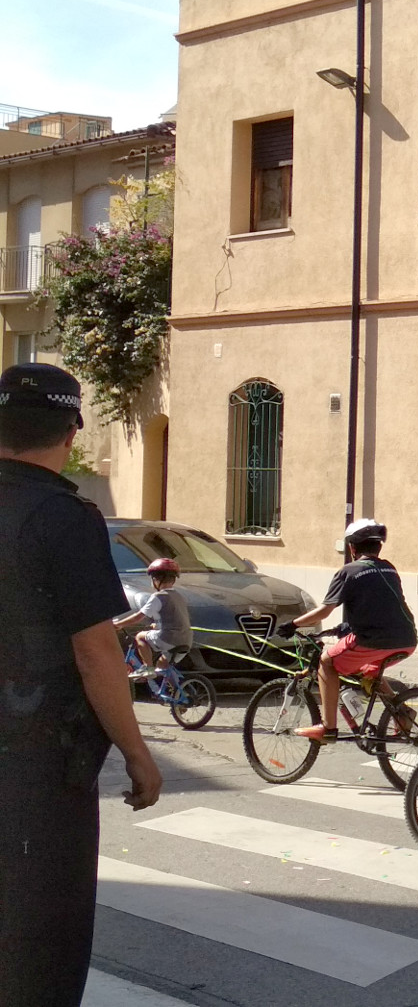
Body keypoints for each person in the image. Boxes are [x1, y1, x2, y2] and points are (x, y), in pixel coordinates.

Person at [0, 364, 163, 1006]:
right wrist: (138, 754)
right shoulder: (63, 517)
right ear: (71, 433)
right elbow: (96, 652)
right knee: (38, 945)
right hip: (34, 766)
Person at [281, 518, 418, 743]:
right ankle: (402, 713)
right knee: (370, 669)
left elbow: (324, 611)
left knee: (326, 662)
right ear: (378, 547)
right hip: (407, 639)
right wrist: (344, 628)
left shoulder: (349, 571)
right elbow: (381, 606)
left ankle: (328, 728)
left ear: (352, 547)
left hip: (371, 640)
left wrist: (293, 624)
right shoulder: (389, 569)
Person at [115, 557, 193, 678]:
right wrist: (157, 626)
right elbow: (175, 619)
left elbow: (138, 617)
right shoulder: (179, 596)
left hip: (169, 638)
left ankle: (147, 667)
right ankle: (176, 693)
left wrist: (119, 624)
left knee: (140, 637)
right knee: (162, 667)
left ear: (156, 579)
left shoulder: (159, 596)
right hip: (186, 640)